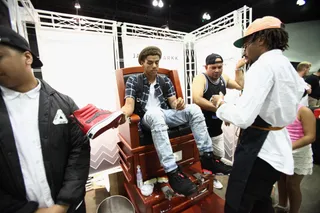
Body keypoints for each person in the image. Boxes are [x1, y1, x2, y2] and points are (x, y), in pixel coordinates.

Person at [210, 16, 306, 213]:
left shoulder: (262, 66)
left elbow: (244, 117)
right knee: (261, 199)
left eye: (246, 43)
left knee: (239, 201)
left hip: (259, 148)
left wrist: (221, 104)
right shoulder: (287, 66)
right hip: (277, 145)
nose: (245, 49)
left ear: (260, 40)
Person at [0, 26, 90, 213]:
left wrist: (63, 204)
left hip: (72, 208)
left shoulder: (64, 104)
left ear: (27, 57)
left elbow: (79, 152)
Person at [119, 46, 229, 197]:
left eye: (156, 62)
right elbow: (129, 106)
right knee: (155, 114)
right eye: (150, 63)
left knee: (194, 109)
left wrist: (179, 104)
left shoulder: (164, 80)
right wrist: (121, 114)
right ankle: (172, 171)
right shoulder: (134, 80)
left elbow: (173, 104)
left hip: (165, 114)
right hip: (147, 117)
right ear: (142, 63)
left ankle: (207, 158)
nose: (154, 66)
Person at [192, 53, 245, 189]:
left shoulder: (223, 78)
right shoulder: (201, 78)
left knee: (218, 155)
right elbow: (197, 99)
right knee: (203, 156)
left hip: (216, 126)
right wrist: (221, 110)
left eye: (219, 67)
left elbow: (240, 85)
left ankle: (212, 177)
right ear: (206, 67)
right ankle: (205, 180)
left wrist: (238, 69)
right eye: (213, 67)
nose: (217, 70)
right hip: (201, 126)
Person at [275, 105, 315, 213]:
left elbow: (310, 136)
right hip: (283, 151)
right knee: (281, 179)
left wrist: (289, 146)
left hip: (298, 152)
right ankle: (281, 205)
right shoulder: (281, 108)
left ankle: (294, 211)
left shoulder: (303, 111)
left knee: (292, 184)